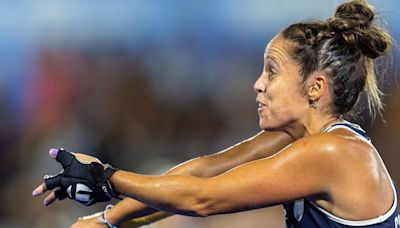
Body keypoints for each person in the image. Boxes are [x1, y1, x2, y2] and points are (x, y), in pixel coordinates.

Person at [33, 0, 400, 227]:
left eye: (271, 71)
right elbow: (202, 170)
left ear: (315, 87)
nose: (258, 84)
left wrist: (106, 176)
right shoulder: (296, 139)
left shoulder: (333, 152)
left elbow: (202, 199)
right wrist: (108, 218)